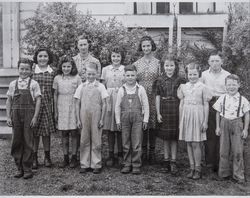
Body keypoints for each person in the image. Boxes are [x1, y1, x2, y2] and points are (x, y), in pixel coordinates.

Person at [6, 58, 41, 179]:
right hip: (16, 116)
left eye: (27, 69)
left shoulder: (34, 84)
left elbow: (38, 101)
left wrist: (35, 117)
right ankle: (19, 167)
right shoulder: (12, 84)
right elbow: (9, 101)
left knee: (28, 141)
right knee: (16, 141)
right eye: (22, 69)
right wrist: (8, 116)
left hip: (29, 116)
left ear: (31, 71)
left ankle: (27, 168)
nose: (24, 71)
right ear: (18, 69)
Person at [213, 74, 250, 183]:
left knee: (237, 150)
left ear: (239, 85)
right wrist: (217, 127)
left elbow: (247, 114)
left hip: (237, 123)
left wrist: (245, 129)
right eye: (229, 85)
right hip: (224, 123)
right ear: (225, 86)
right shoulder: (222, 98)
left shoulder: (242, 100)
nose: (231, 87)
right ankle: (224, 173)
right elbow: (217, 112)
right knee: (223, 150)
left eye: (234, 84)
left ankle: (238, 175)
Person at [178, 63, 211, 180]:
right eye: (190, 74)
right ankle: (191, 167)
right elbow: (181, 104)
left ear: (199, 74)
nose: (192, 76)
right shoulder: (183, 87)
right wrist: (181, 119)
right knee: (188, 142)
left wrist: (205, 122)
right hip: (187, 115)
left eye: (195, 74)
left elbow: (206, 105)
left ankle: (198, 168)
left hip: (198, 115)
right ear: (187, 75)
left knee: (196, 143)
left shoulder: (203, 87)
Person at [74, 62, 109, 174]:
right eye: (88, 74)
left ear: (97, 74)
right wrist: (78, 119)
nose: (90, 76)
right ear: (85, 74)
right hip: (84, 116)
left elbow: (104, 103)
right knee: (84, 139)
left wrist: (102, 119)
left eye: (93, 74)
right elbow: (77, 103)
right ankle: (84, 164)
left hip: (96, 116)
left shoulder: (100, 86)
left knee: (96, 139)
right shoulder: (81, 86)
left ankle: (96, 164)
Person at [115, 65, 149, 175]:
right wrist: (118, 121)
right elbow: (117, 106)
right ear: (124, 76)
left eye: (132, 75)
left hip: (138, 119)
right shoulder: (121, 89)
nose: (130, 77)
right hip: (124, 119)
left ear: (136, 75)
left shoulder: (140, 89)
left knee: (137, 142)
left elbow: (146, 105)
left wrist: (145, 120)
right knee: (125, 142)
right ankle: (127, 164)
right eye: (128, 75)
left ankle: (136, 164)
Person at [201, 51, 230, 172]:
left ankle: (221, 163)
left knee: (222, 133)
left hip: (223, 104)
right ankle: (209, 162)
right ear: (208, 62)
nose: (214, 63)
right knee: (210, 134)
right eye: (212, 61)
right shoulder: (203, 75)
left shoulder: (227, 75)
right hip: (209, 104)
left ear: (222, 62)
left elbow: (230, 91)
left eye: (217, 60)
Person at [155, 56, 185, 174]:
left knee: (174, 137)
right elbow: (157, 97)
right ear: (163, 67)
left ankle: (173, 161)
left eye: (171, 65)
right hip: (164, 109)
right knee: (165, 137)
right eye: (166, 65)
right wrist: (158, 113)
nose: (169, 68)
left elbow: (183, 97)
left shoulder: (180, 80)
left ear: (175, 66)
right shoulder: (159, 80)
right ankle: (166, 161)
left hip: (176, 109)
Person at [133, 35, 160, 164]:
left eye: (148, 45)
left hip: (153, 95)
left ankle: (152, 151)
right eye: (143, 46)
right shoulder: (136, 63)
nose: (146, 48)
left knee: (152, 124)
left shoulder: (158, 63)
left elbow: (159, 80)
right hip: (141, 96)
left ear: (152, 46)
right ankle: (143, 151)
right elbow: (133, 80)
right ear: (141, 47)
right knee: (142, 122)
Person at [53, 56, 82, 168]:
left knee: (74, 133)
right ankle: (65, 157)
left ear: (72, 67)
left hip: (73, 105)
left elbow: (80, 95)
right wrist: (55, 110)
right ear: (61, 67)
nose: (66, 68)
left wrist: (79, 110)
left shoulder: (77, 78)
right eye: (64, 66)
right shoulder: (57, 78)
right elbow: (55, 95)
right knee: (64, 133)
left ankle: (74, 157)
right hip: (61, 106)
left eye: (68, 66)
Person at [32, 47, 56, 169]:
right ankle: (34, 157)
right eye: (40, 56)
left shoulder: (53, 71)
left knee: (46, 133)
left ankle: (47, 157)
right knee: (35, 132)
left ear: (49, 58)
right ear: (36, 57)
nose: (42, 58)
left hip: (47, 104)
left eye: (45, 56)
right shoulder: (32, 71)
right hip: (34, 105)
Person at [101, 46, 125, 167]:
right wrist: (106, 102)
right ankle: (111, 154)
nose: (116, 58)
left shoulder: (124, 69)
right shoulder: (105, 69)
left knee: (119, 127)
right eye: (114, 56)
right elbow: (103, 87)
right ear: (110, 57)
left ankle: (120, 154)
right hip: (109, 98)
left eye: (118, 56)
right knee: (110, 129)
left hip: (120, 98)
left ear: (122, 57)